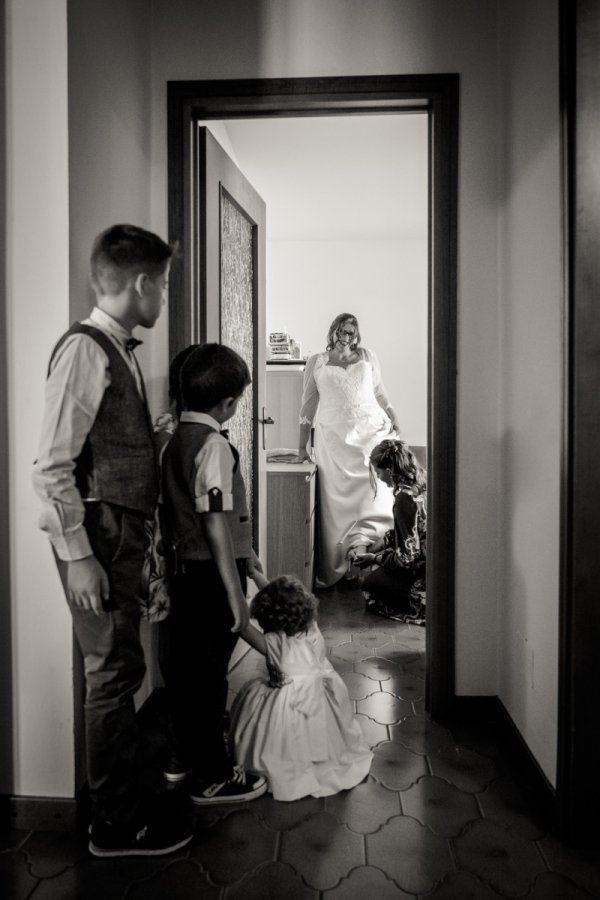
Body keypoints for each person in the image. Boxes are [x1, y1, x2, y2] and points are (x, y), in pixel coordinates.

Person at [33, 224, 194, 857]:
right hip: (99, 534)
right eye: (165, 284)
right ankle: (114, 824)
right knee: (110, 675)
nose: (164, 297)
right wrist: (78, 558)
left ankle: (125, 799)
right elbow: (50, 466)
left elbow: (104, 444)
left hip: (118, 531)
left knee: (122, 668)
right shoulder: (86, 349)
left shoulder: (118, 347)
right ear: (142, 283)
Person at [160, 342, 268, 805]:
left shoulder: (171, 438)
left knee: (185, 670)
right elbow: (215, 522)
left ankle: (180, 759)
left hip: (184, 572)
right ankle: (214, 776)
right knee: (209, 678)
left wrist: (254, 562)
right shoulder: (214, 445)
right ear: (227, 404)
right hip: (210, 576)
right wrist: (236, 596)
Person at [230, 575, 373, 802]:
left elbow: (243, 626)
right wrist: (256, 572)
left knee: (260, 711)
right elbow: (284, 600)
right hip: (317, 702)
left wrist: (233, 593)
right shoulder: (312, 631)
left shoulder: (274, 644)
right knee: (320, 738)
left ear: (268, 617)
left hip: (287, 707)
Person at [297, 313, 402, 586]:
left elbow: (380, 393)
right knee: (339, 505)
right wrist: (301, 446)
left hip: (370, 432)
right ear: (333, 331)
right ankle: (343, 562)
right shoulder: (316, 362)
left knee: (375, 496)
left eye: (352, 332)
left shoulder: (367, 356)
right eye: (342, 330)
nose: (346, 336)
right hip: (334, 440)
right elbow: (308, 406)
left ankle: (376, 559)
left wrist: (392, 414)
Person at [355, 439, 427, 624]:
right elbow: (412, 531)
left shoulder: (403, 499)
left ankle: (418, 603)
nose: (378, 477)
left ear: (389, 471)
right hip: (434, 561)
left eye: (378, 472)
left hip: (421, 572)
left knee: (370, 586)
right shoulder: (422, 480)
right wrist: (377, 546)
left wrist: (375, 558)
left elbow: (406, 559)